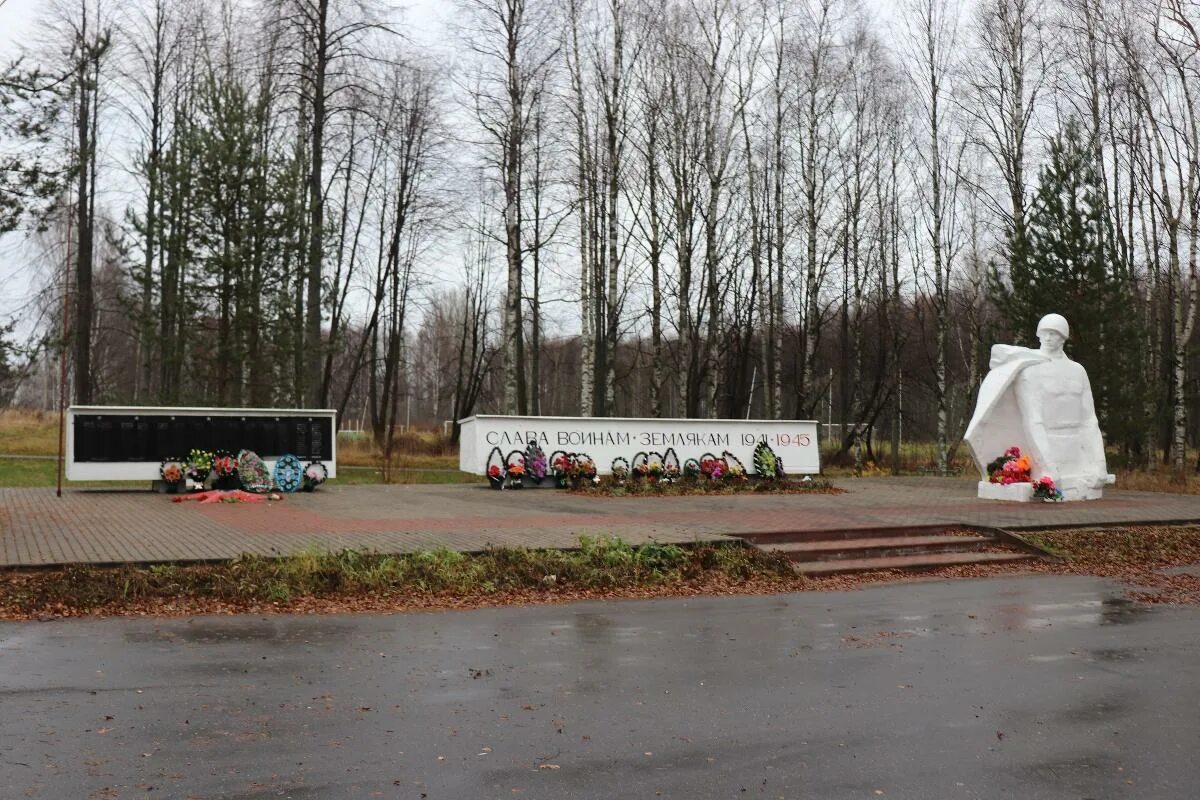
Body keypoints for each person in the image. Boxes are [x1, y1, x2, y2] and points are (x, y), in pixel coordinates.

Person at [964, 313, 1113, 501]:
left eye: (1054, 333)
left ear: (1063, 338)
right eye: (1045, 333)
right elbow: (1033, 421)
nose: (1049, 338)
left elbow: (1089, 421)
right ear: (1038, 335)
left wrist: (1099, 463)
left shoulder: (1078, 371)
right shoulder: (1030, 371)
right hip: (1047, 446)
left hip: (1077, 452)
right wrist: (1048, 466)